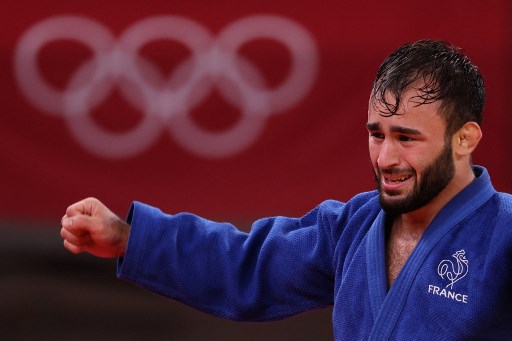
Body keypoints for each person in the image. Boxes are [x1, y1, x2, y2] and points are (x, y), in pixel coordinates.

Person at [60, 39, 512, 339]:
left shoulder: (503, 233)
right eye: (378, 134)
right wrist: (128, 238)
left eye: (407, 138)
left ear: (465, 138)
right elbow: (245, 264)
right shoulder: (353, 226)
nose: (386, 159)